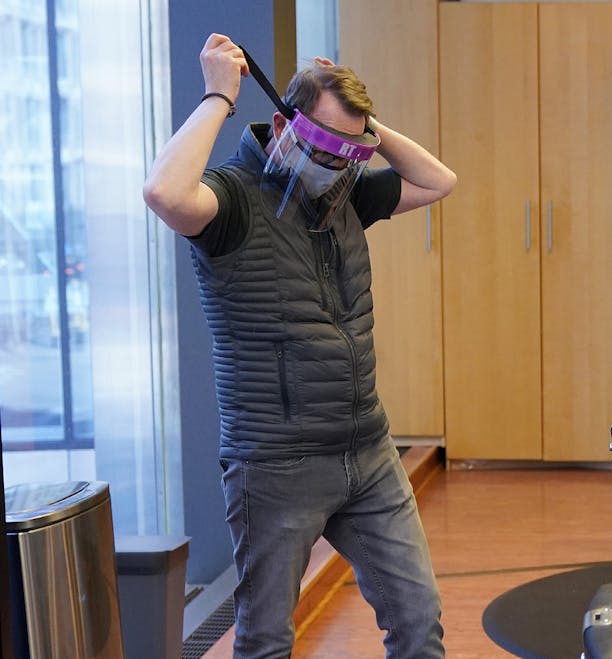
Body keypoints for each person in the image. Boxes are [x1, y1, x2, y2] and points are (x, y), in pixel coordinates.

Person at [142, 34, 456, 658]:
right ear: (284, 124)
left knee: (419, 625)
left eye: (350, 155)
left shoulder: (344, 193)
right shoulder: (229, 199)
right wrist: (217, 96)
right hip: (275, 466)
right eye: (324, 147)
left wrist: (359, 130)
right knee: (264, 643)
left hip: (367, 452)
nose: (337, 166)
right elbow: (164, 194)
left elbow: (438, 180)